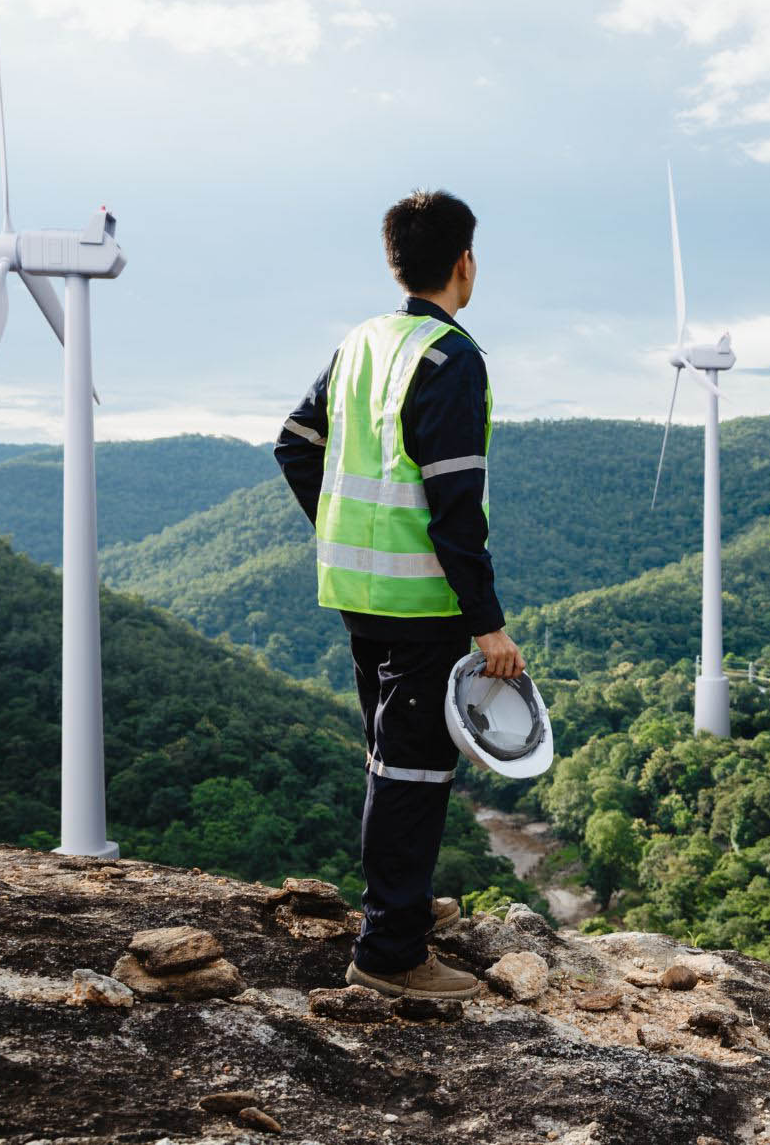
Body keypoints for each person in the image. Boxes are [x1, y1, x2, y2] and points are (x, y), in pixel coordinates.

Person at [274, 189, 524, 999]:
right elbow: (456, 509)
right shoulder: (453, 359)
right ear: (464, 264)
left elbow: (294, 444)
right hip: (423, 604)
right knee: (413, 771)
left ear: (395, 261)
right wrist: (489, 627)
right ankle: (389, 955)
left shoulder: (361, 342)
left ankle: (404, 906)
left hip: (358, 592)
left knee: (391, 758)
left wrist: (344, 528)